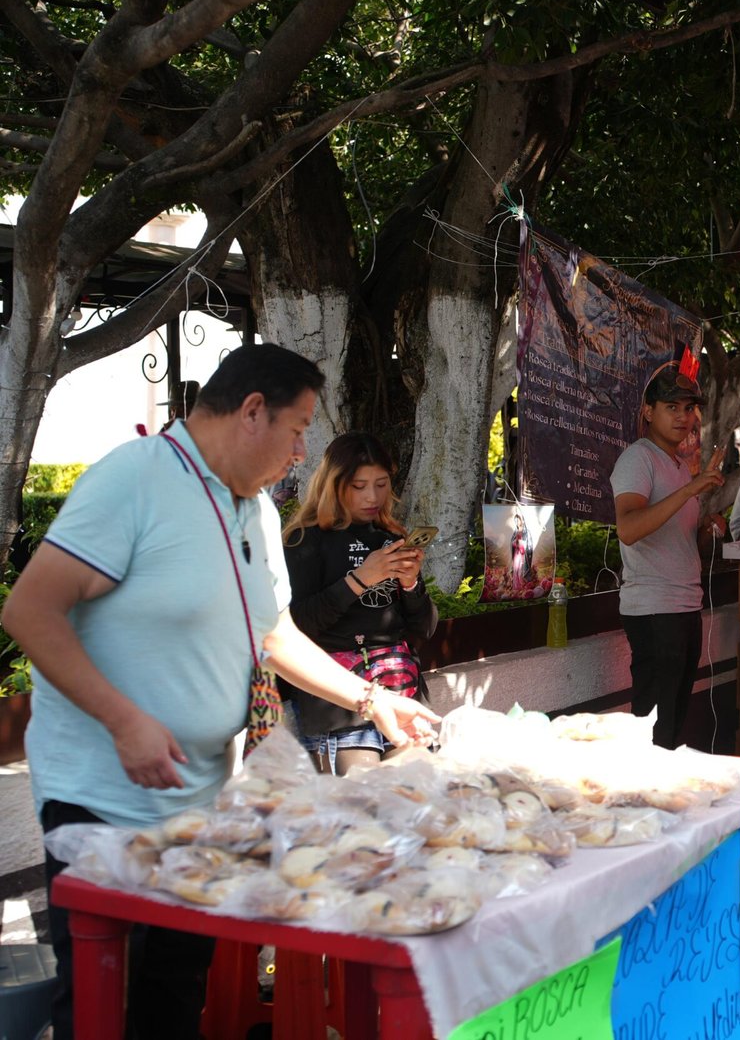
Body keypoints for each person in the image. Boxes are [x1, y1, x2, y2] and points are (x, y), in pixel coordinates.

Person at [3, 344, 440, 1040]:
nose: (301, 452)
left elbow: (274, 634)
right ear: (252, 411)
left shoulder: (254, 510)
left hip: (202, 800)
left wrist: (371, 700)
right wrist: (123, 721)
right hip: (105, 800)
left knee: (176, 999)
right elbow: (30, 611)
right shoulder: (135, 479)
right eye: (297, 429)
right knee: (102, 1006)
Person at [280, 433, 440, 775]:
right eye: (358, 486)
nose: (372, 496)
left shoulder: (390, 538)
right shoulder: (304, 540)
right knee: (360, 799)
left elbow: (424, 629)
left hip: (402, 693)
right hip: (339, 706)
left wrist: (411, 584)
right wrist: (360, 580)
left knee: (415, 794)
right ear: (333, 485)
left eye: (381, 484)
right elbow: (294, 627)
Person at [612, 363, 727, 748]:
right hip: (654, 608)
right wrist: (691, 490)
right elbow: (628, 529)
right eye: (672, 407)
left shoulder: (679, 466)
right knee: (653, 727)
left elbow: (678, 539)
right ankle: (638, 787)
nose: (683, 417)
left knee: (672, 721)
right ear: (648, 412)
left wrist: (707, 525)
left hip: (684, 605)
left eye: (689, 408)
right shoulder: (638, 458)